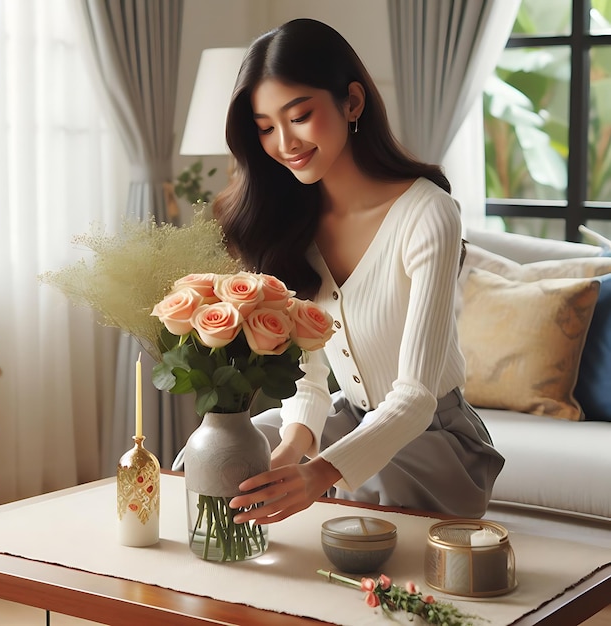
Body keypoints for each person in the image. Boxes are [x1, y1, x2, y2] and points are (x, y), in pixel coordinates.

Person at [213, 17, 504, 525]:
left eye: (299, 115)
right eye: (264, 128)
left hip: (433, 436)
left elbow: (414, 399)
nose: (284, 143)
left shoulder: (428, 213)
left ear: (352, 102)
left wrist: (317, 472)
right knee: (223, 452)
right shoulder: (289, 226)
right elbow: (311, 379)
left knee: (359, 503)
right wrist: (287, 454)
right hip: (344, 418)